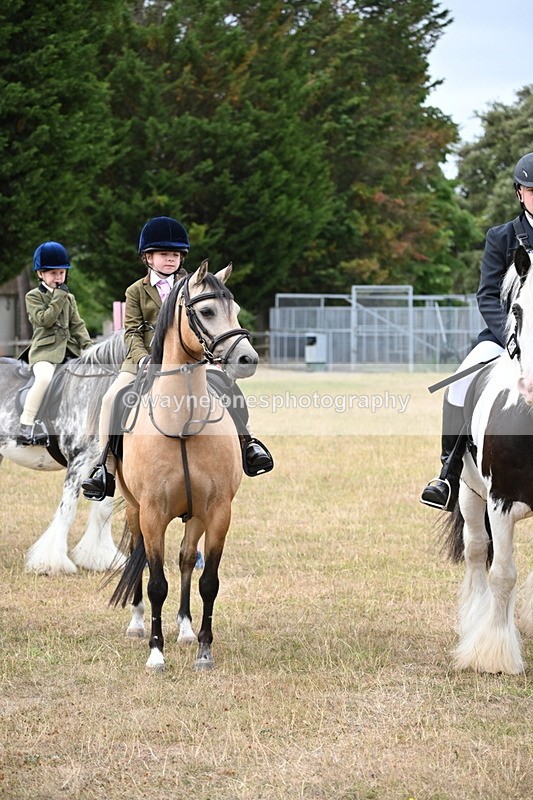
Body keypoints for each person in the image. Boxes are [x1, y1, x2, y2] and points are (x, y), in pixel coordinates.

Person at [82, 215, 273, 501]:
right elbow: (131, 332)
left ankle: (247, 442)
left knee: (229, 389)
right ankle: (105, 467)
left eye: (175, 254)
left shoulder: (193, 286)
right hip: (143, 360)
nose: (170, 259)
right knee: (112, 398)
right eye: (163, 254)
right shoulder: (135, 291)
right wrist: (143, 358)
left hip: (191, 360)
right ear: (148, 258)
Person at [420, 152, 533, 511]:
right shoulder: (501, 237)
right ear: (519, 193)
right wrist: (510, 338)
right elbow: (487, 295)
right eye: (532, 191)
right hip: (504, 339)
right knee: (460, 381)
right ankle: (448, 472)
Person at [17, 241, 93, 446]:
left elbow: (77, 325)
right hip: (44, 353)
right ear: (40, 274)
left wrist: (89, 348)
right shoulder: (33, 296)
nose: (59, 278)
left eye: (62, 273)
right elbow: (45, 320)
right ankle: (26, 424)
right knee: (44, 379)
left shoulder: (69, 298)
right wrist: (59, 297)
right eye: (53, 274)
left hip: (69, 352)